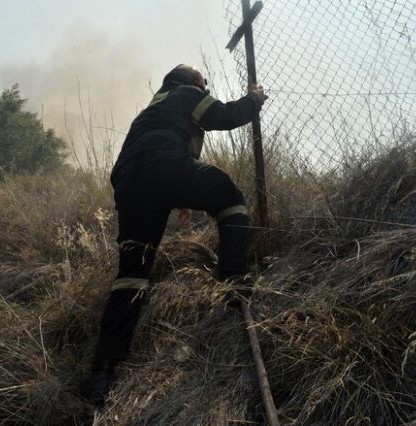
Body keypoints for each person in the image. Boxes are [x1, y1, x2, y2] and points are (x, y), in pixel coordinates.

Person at [86, 64, 268, 405]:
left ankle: (102, 373)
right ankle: (233, 282)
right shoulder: (186, 92)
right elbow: (224, 116)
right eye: (204, 80)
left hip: (128, 184)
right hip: (164, 165)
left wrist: (178, 194)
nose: (206, 84)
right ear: (191, 81)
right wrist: (254, 100)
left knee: (131, 276)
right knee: (230, 199)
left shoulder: (149, 111)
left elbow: (152, 155)